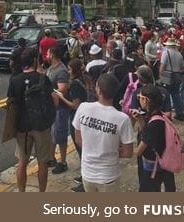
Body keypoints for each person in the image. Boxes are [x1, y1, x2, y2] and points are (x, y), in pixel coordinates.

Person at [72, 73, 135, 192]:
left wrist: (92, 149)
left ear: (98, 90)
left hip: (87, 173)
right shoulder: (122, 119)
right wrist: (109, 152)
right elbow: (128, 152)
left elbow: (78, 140)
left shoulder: (83, 108)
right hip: (109, 176)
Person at [7, 47, 55, 192]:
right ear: (35, 61)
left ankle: (22, 192)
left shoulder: (15, 80)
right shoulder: (43, 78)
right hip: (41, 126)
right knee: (43, 163)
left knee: (22, 162)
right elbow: (54, 101)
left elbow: (11, 104)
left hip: (23, 127)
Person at [54, 58, 88, 191]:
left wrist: (61, 97)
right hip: (86, 117)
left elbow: (75, 105)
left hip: (78, 118)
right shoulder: (85, 79)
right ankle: (84, 176)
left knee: (81, 149)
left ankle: (85, 181)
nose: (67, 71)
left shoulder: (74, 84)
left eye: (69, 68)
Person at [131, 84, 171, 192]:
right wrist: (139, 118)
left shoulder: (154, 124)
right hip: (159, 163)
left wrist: (120, 149)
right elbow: (147, 133)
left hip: (153, 167)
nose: (139, 100)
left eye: (140, 98)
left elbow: (139, 151)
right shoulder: (158, 115)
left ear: (146, 100)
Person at [46, 45, 70, 174]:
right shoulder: (51, 68)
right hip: (51, 107)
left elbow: (63, 90)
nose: (46, 54)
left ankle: (63, 161)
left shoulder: (61, 71)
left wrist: (49, 92)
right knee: (52, 134)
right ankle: (51, 158)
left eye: (48, 52)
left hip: (60, 108)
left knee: (60, 135)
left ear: (53, 55)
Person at [159, 38, 184, 121]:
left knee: (165, 95)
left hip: (167, 75)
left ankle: (167, 113)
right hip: (177, 76)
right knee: (176, 95)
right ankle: (180, 113)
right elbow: (182, 67)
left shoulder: (165, 53)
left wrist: (160, 75)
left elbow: (162, 65)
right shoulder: (179, 54)